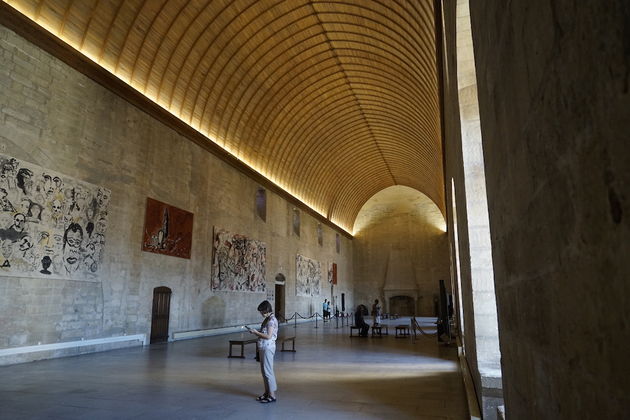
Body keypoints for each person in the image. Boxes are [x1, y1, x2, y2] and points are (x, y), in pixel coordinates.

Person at [247, 300, 278, 403]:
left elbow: (268, 336)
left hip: (268, 348)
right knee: (264, 372)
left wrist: (256, 333)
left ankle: (272, 395)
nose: (261, 313)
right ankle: (267, 393)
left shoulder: (271, 321)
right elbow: (264, 332)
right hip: (263, 347)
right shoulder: (267, 319)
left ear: (266, 310)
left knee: (268, 372)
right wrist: (257, 332)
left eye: (261, 311)